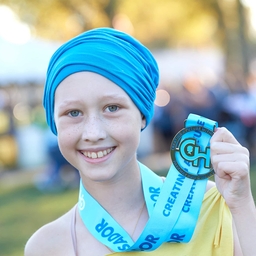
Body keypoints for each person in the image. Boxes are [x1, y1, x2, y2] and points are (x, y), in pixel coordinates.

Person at [25, 27, 256, 256]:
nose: (93, 133)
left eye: (112, 108)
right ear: (54, 123)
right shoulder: (47, 247)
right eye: (73, 113)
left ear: (143, 115)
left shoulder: (206, 205)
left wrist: (242, 204)